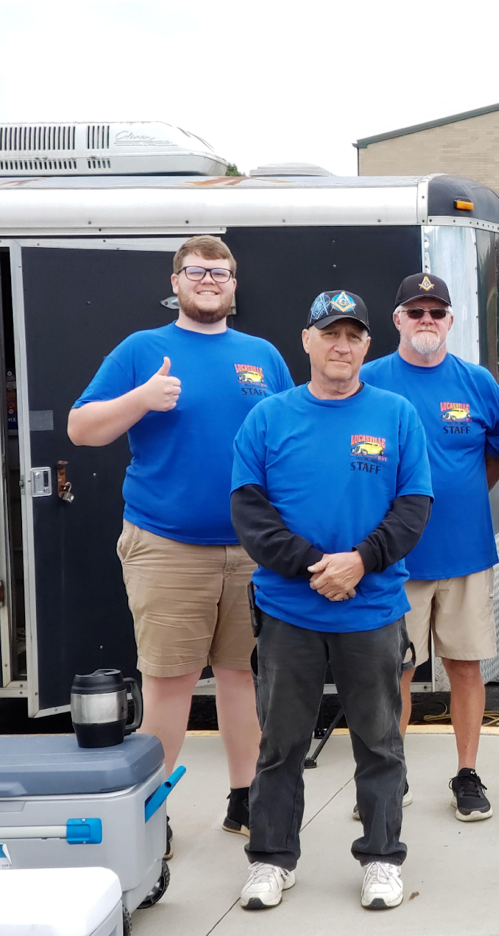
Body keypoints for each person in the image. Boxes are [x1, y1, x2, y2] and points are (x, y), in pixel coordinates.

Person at [67, 235, 293, 854]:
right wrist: (141, 400)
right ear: (177, 282)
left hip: (251, 548)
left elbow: (291, 439)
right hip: (166, 546)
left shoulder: (263, 355)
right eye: (197, 271)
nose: (210, 281)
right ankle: (151, 815)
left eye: (221, 272)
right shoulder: (144, 349)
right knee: (168, 682)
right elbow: (81, 428)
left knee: (240, 678)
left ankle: (244, 799)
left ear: (234, 285)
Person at [230, 291, 433, 911]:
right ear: (307, 340)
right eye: (330, 334)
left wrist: (360, 561)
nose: (341, 346)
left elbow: (414, 506)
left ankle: (380, 859)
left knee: (379, 742)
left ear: (367, 345)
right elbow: (249, 510)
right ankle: (271, 859)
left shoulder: (396, 414)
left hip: (371, 611)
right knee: (280, 743)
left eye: (353, 335)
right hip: (290, 612)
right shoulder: (267, 417)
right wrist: (315, 566)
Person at [361, 272, 499, 822]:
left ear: (451, 320)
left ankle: (467, 774)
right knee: (392, 671)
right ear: (397, 320)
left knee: (466, 667)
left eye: (436, 312)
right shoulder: (370, 381)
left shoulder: (478, 384)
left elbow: (496, 458)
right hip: (394, 560)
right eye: (415, 312)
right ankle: (388, 777)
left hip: (466, 554)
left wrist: (458, 497)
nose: (427, 321)